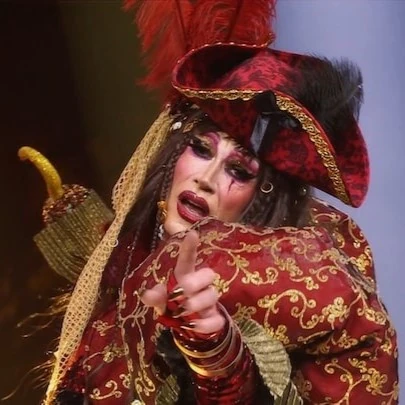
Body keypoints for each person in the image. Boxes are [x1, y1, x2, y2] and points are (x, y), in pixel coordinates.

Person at [36, 1, 398, 404]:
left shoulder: (265, 286)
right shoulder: (124, 261)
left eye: (238, 171)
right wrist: (77, 222)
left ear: (261, 200)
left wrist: (211, 345)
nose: (205, 180)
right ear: (172, 153)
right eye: (201, 149)